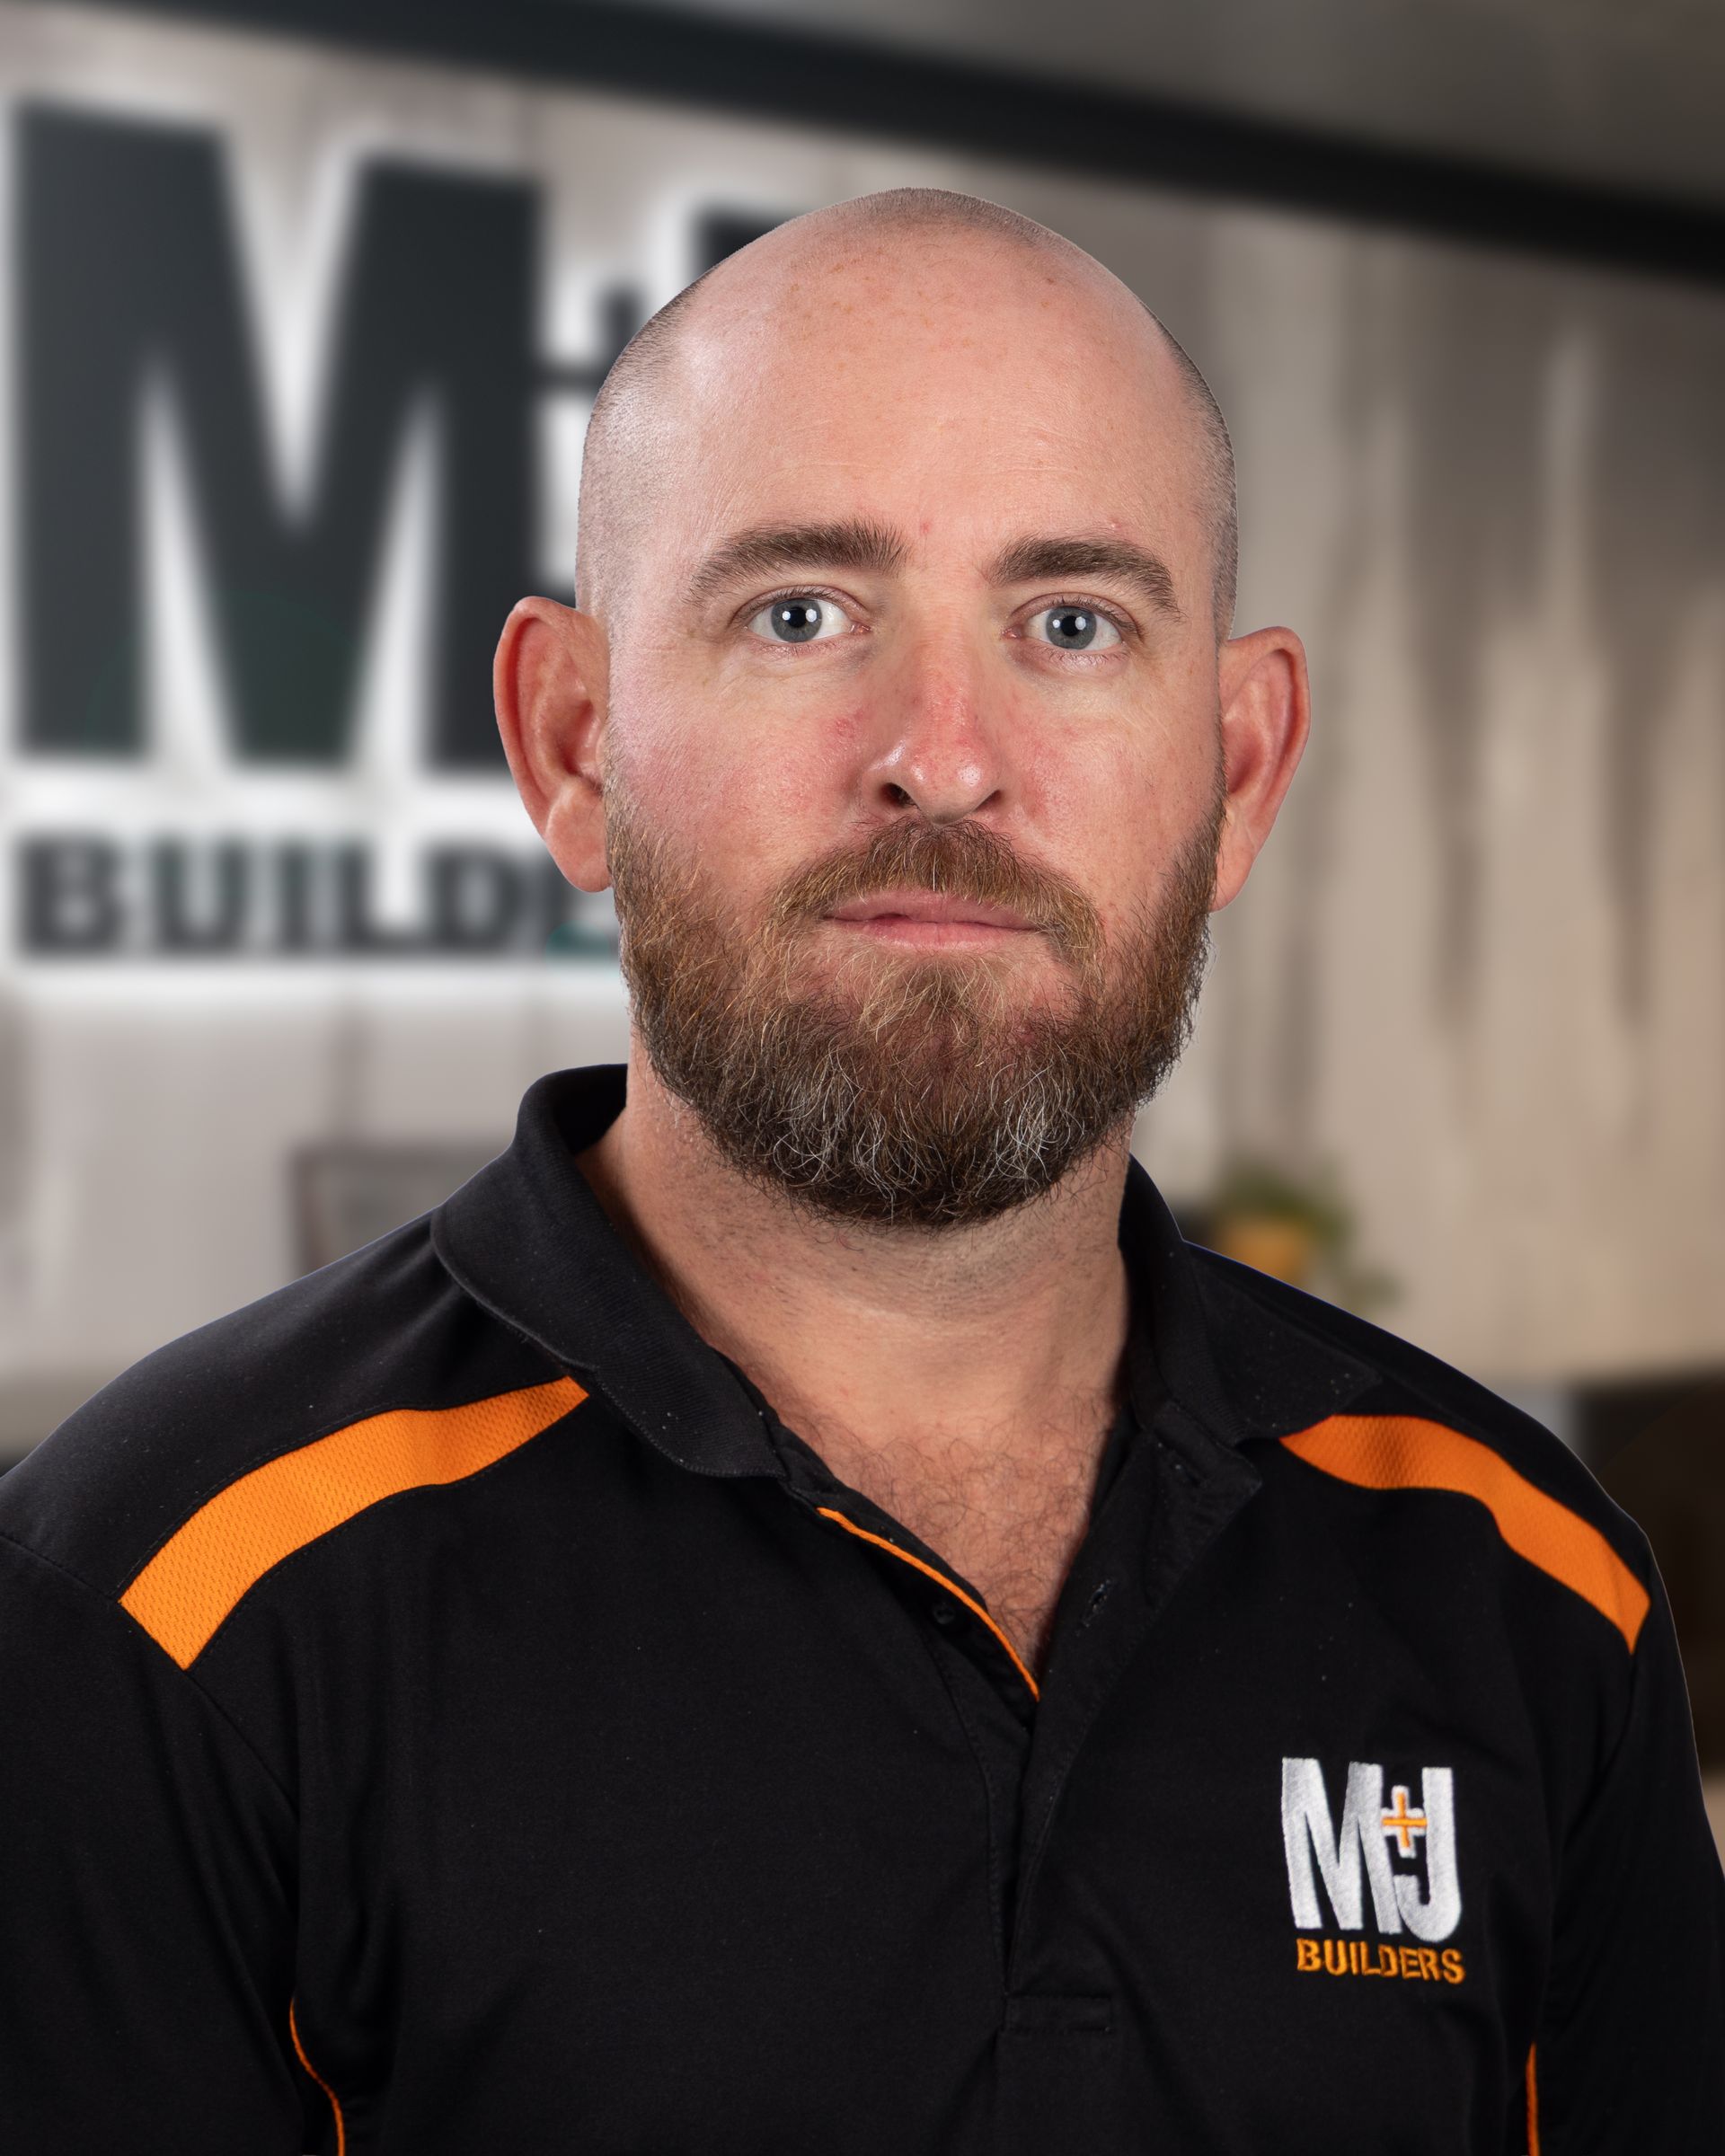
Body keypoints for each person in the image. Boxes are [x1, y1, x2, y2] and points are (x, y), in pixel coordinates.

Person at [1, 188, 1719, 2152]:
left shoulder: (1528, 1593)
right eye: (800, 613)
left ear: (1237, 772)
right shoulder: (159, 1614)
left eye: (1071, 624)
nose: (942, 757)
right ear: (573, 741)